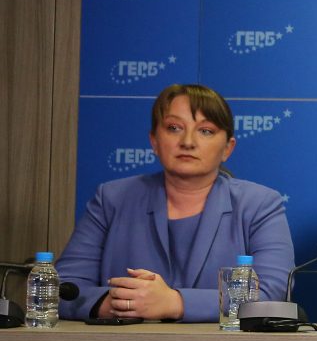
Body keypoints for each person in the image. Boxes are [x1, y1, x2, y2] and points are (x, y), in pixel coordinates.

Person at [58, 83, 293, 321]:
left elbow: (272, 293)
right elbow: (60, 289)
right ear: (154, 141)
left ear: (227, 148)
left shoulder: (259, 205)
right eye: (174, 128)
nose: (188, 141)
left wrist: (175, 303)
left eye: (206, 131)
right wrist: (118, 304)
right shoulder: (111, 199)